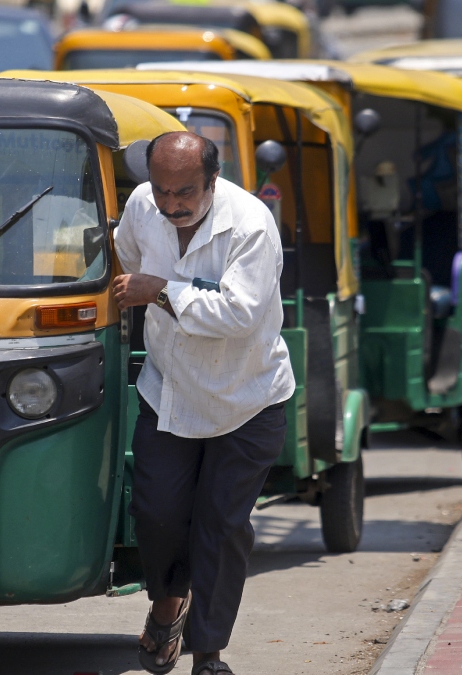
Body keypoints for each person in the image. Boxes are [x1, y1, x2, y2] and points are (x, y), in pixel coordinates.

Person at [112, 131, 294, 675]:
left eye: (184, 192)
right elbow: (123, 255)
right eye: (162, 190)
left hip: (247, 400)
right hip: (167, 391)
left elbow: (239, 314)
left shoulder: (251, 225)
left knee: (220, 526)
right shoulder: (143, 206)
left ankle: (208, 655)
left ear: (213, 181)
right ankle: (167, 607)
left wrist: (162, 291)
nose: (171, 204)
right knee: (158, 513)